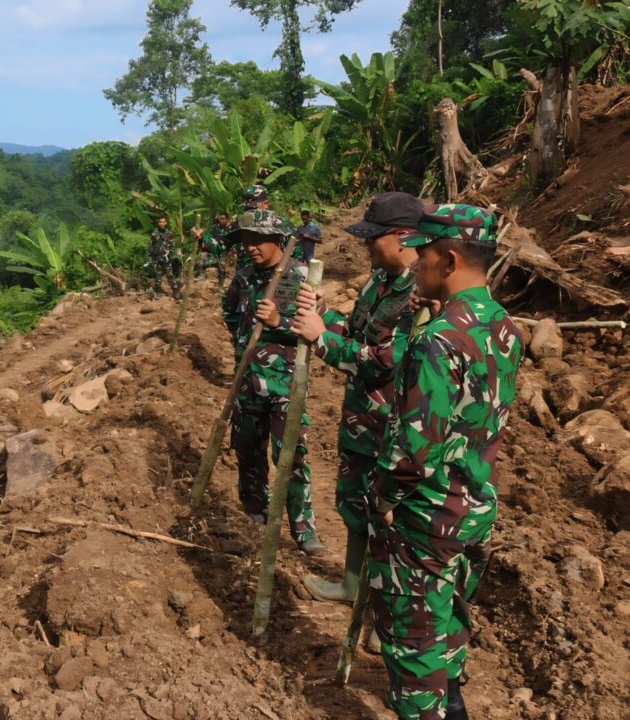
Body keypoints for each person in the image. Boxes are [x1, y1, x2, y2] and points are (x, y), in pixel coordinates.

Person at [369, 204, 522, 719]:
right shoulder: (503, 327)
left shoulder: (438, 339)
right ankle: (453, 701)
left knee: (414, 648)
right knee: (449, 618)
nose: (415, 264)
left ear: (450, 259)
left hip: (427, 516)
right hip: (475, 504)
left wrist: (383, 497)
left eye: (424, 254)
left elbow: (417, 449)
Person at [289, 192, 425, 603]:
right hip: (360, 420)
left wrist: (320, 339)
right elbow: (356, 334)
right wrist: (324, 314)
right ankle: (352, 584)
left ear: (403, 236)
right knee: (355, 503)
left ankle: (386, 604)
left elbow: (384, 361)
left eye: (373, 238)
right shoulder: (380, 279)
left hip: (392, 428)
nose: (366, 245)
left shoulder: (421, 295)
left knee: (390, 516)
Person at [221, 198, 326, 557]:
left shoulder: (300, 278)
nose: (250, 247)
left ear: (279, 239)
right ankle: (255, 510)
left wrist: (278, 324)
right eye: (245, 240)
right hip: (247, 382)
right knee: (248, 451)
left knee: (291, 457)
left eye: (257, 239)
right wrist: (242, 342)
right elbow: (230, 312)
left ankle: (303, 529)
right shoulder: (244, 277)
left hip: (285, 386)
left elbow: (314, 331)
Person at [146, 215, 181, 300]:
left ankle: (175, 291)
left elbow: (173, 246)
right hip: (156, 258)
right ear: (158, 223)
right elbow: (150, 245)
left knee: (170, 275)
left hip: (166, 258)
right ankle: (158, 292)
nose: (161, 224)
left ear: (166, 223)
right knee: (157, 276)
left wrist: (169, 255)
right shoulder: (154, 233)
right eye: (160, 222)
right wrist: (149, 255)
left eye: (163, 222)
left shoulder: (170, 234)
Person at [206, 213, 230, 288]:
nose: (221, 220)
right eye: (220, 219)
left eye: (223, 218)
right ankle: (220, 286)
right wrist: (212, 242)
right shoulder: (215, 227)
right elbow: (209, 237)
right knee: (221, 268)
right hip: (218, 249)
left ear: (227, 219)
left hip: (228, 250)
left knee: (226, 269)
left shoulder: (230, 227)